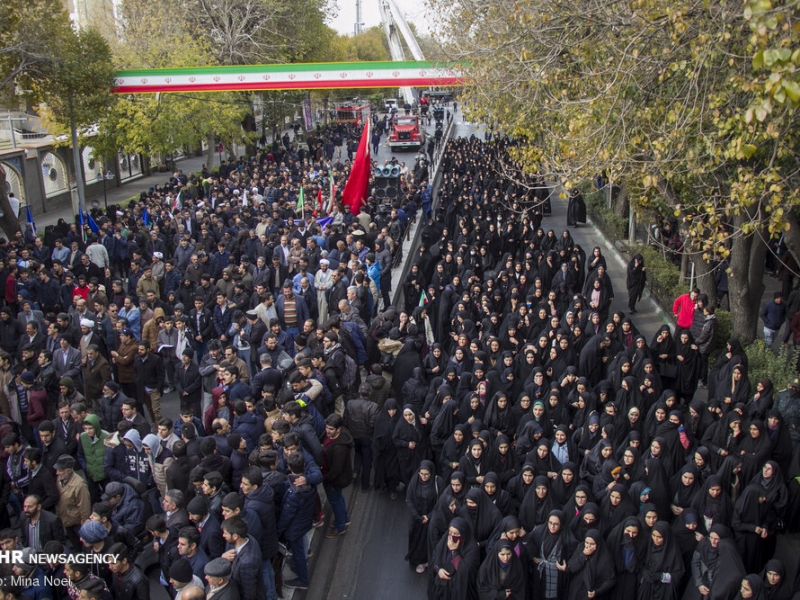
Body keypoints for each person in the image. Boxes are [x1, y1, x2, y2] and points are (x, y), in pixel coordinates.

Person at [321, 413, 354, 538]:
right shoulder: (338, 437)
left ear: (338, 429)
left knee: (335, 501)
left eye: (331, 429)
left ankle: (340, 526)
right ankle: (344, 518)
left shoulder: (339, 448)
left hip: (335, 480)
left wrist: (326, 478)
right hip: (334, 477)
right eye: (327, 428)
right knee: (338, 498)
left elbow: (336, 470)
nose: (327, 431)